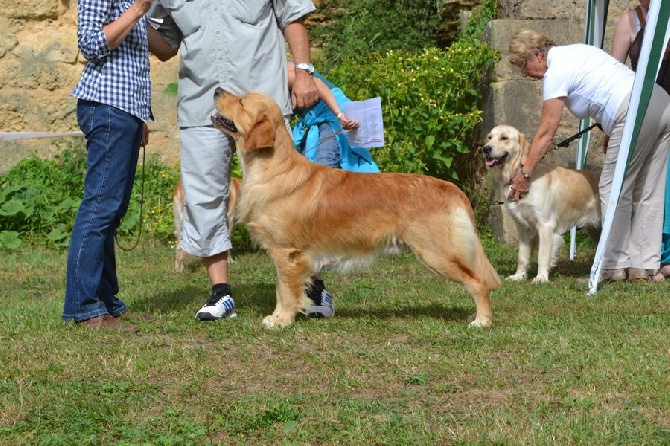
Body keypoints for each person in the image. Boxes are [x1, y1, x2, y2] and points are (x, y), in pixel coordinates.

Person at [147, 1, 336, 320]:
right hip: (202, 102)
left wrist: (304, 72)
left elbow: (293, 16)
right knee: (204, 196)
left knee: (290, 197)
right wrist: (134, 19)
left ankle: (314, 289)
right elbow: (166, 46)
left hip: (261, 107)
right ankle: (220, 294)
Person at [507, 29, 670, 283]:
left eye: (523, 65)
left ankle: (613, 266)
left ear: (538, 55)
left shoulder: (555, 72)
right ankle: (645, 268)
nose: (524, 73)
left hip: (635, 110)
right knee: (649, 191)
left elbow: (546, 132)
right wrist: (610, 128)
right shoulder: (579, 51)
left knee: (612, 189)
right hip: (660, 101)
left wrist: (525, 174)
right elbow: (604, 89)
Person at [63, 0, 157, 332]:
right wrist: (139, 9)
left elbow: (138, 58)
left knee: (110, 211)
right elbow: (89, 44)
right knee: (100, 208)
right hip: (106, 107)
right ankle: (86, 308)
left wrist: (137, 114)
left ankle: (106, 303)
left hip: (124, 110)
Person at [288, 62, 380, 317]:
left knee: (319, 193)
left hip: (331, 120)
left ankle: (327, 252)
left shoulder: (279, 69)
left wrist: (340, 115)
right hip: (315, 122)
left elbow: (315, 83)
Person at [611, 0, 670, 281]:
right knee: (642, 187)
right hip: (642, 113)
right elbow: (613, 69)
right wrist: (610, 129)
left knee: (662, 189)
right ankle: (645, 258)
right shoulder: (630, 20)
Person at [290, 62, 380, 173]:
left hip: (334, 112)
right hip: (315, 118)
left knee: (324, 168)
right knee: (306, 169)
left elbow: (316, 83)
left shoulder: (282, 71)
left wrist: (339, 115)